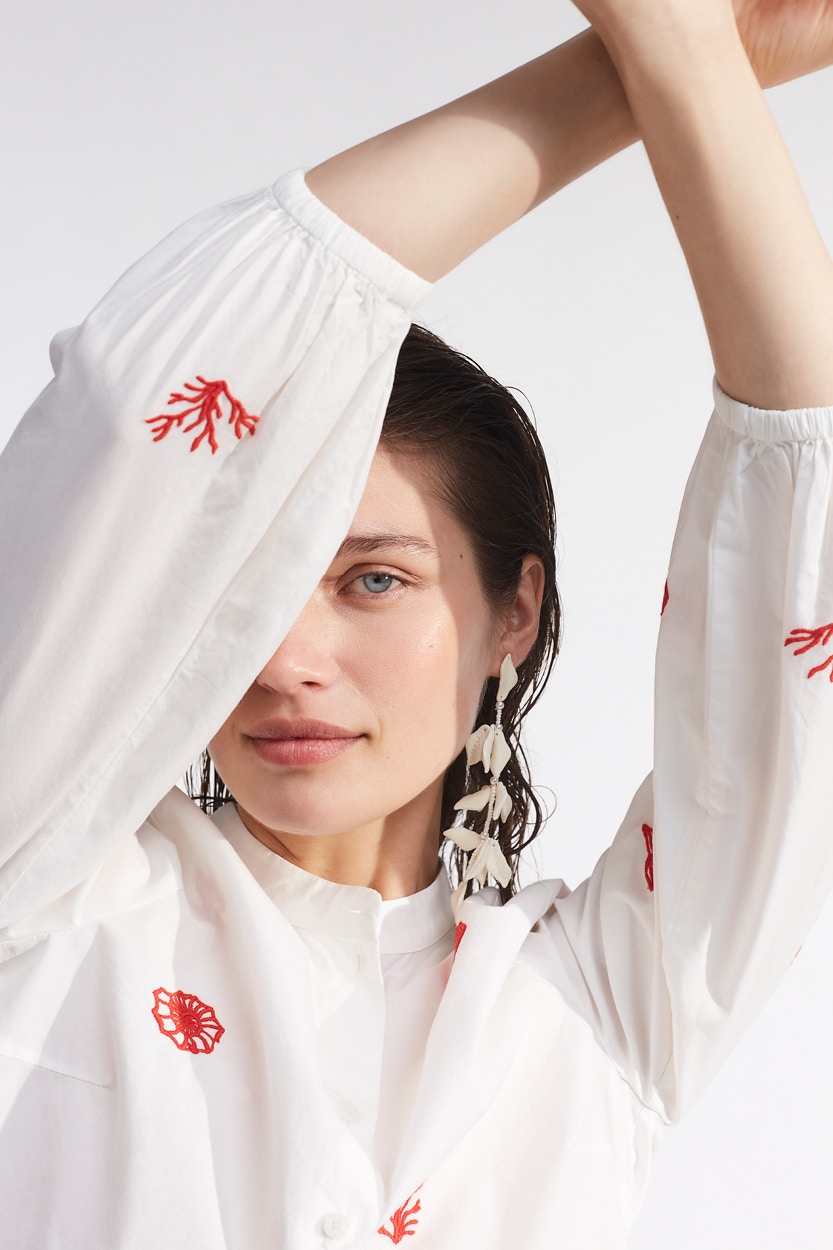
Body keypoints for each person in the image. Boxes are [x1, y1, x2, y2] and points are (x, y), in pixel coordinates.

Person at [1, 2, 833, 1248]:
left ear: (516, 610)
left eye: (371, 578)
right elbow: (135, 407)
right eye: (237, 592)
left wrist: (685, 66)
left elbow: (803, 570)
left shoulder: (597, 1003)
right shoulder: (50, 902)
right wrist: (659, 62)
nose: (281, 661)